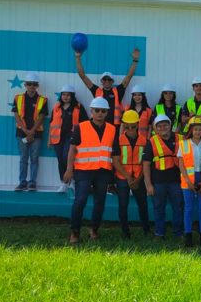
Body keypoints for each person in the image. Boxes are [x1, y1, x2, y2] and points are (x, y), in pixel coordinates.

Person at [64, 97, 118, 243]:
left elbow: (114, 154)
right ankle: (75, 233)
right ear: (91, 111)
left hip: (103, 171)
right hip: (84, 170)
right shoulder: (81, 127)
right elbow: (72, 150)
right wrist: (69, 169)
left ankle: (94, 230)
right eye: (97, 110)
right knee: (80, 200)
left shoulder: (112, 129)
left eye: (103, 111)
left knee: (100, 202)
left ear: (107, 112)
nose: (100, 113)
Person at [142, 114, 184, 240]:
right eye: (159, 126)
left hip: (177, 180)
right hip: (158, 182)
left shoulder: (181, 139)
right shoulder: (151, 142)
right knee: (159, 208)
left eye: (165, 125)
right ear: (156, 128)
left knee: (178, 207)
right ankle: (159, 233)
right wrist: (148, 185)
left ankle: (178, 233)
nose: (162, 128)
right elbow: (146, 164)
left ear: (170, 125)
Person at [75, 47, 139, 126]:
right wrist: (78, 58)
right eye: (104, 79)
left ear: (112, 81)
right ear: (101, 81)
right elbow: (83, 76)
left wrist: (135, 61)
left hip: (115, 126)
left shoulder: (118, 91)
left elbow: (129, 76)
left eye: (109, 80)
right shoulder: (97, 91)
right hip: (99, 125)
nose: (107, 81)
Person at [112, 109, 150, 238]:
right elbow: (116, 162)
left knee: (143, 205)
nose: (130, 129)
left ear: (138, 124)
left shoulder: (145, 141)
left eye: (133, 126)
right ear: (123, 125)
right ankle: (125, 232)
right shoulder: (118, 140)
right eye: (127, 126)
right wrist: (128, 178)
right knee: (123, 206)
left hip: (139, 178)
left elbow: (146, 163)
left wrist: (138, 179)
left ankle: (146, 231)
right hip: (123, 178)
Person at [13, 72, 48, 191]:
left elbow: (42, 117)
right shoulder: (18, 98)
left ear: (37, 86)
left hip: (36, 134)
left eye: (34, 84)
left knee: (34, 158)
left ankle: (32, 182)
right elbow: (16, 115)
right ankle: (22, 182)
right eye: (29, 84)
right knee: (23, 158)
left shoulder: (43, 100)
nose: (32, 86)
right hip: (21, 133)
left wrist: (31, 131)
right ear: (25, 85)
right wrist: (25, 130)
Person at [178, 117, 201, 247]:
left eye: (200, 129)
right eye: (195, 129)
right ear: (191, 130)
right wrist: (187, 181)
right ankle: (188, 238)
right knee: (188, 209)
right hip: (187, 180)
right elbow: (181, 164)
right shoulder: (183, 143)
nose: (197, 132)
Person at [48, 84, 84, 192]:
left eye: (68, 95)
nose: (66, 97)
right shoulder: (56, 107)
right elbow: (51, 123)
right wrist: (49, 140)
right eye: (64, 94)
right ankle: (63, 183)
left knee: (66, 158)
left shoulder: (78, 107)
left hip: (72, 137)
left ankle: (71, 181)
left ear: (72, 96)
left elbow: (84, 123)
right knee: (60, 160)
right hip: (58, 137)